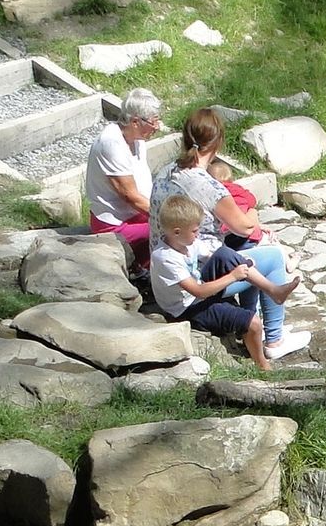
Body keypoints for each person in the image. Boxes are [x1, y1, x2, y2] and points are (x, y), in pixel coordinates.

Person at [150, 107, 311, 359]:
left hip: (167, 253)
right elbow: (245, 225)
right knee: (271, 257)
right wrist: (254, 214)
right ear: (218, 142)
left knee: (244, 249)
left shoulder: (165, 171)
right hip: (197, 267)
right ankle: (275, 339)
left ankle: (250, 319)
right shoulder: (209, 185)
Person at [149, 194, 301, 369]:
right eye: (195, 231)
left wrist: (240, 261)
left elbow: (213, 257)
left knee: (225, 253)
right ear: (177, 232)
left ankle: (274, 291)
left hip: (200, 289)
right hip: (188, 308)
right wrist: (233, 276)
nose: (198, 234)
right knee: (254, 323)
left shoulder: (186, 242)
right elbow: (199, 292)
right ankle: (262, 365)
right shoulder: (165, 258)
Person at [84, 87, 163, 265]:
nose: (157, 127)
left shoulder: (137, 140)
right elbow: (130, 196)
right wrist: (165, 217)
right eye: (153, 122)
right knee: (173, 231)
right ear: (135, 121)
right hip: (115, 225)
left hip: (135, 214)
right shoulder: (111, 144)